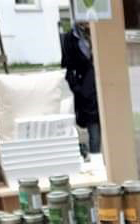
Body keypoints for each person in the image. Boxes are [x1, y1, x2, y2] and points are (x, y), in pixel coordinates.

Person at [61, 21, 101, 154]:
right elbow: (67, 65)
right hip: (86, 90)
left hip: (102, 86)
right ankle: (95, 158)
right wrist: (77, 88)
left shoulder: (99, 30)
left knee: (105, 129)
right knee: (93, 128)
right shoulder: (71, 37)